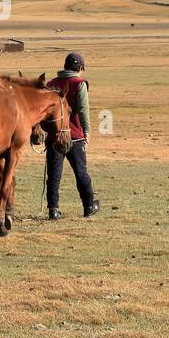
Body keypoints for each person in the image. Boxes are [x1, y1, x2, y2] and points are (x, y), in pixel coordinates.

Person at [45, 51, 98, 219]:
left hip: (54, 137)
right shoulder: (79, 84)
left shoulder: (51, 83)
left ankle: (53, 210)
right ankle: (89, 206)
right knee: (81, 172)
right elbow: (83, 110)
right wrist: (87, 131)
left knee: (54, 175)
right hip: (74, 135)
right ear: (80, 68)